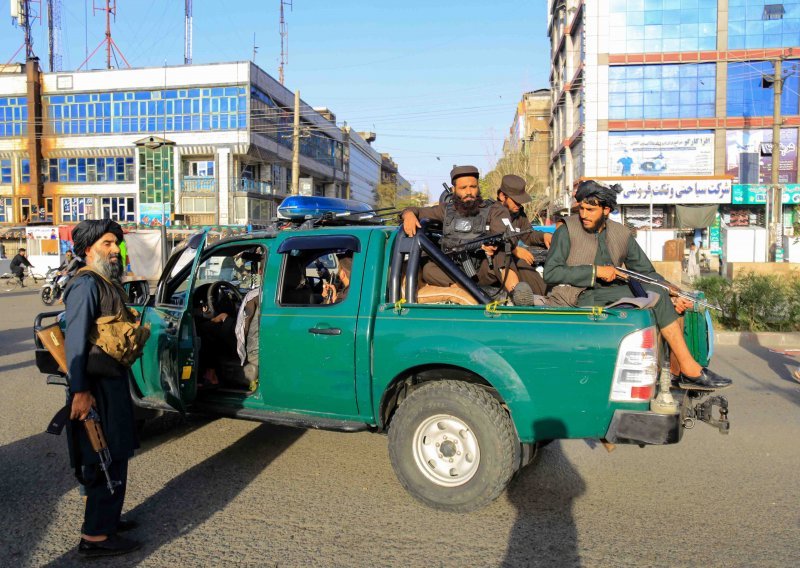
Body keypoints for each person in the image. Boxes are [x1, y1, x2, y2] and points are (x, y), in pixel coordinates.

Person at [543, 180, 731, 389]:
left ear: (606, 210)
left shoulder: (621, 233)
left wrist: (673, 292)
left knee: (665, 297)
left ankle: (675, 373)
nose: (584, 215)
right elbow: (551, 273)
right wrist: (595, 271)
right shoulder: (567, 230)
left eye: (591, 210)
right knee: (657, 298)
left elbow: (646, 272)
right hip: (574, 296)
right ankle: (689, 369)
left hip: (607, 293)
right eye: (582, 209)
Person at [63, 219, 143, 557]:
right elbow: (76, 343)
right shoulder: (86, 286)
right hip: (94, 387)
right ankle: (95, 537)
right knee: (101, 456)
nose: (114, 250)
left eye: (116, 244)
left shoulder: (107, 282)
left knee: (117, 450)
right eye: (107, 244)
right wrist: (80, 390)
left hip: (112, 381)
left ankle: (107, 518)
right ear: (87, 249)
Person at [400, 165, 537, 305]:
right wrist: (409, 215)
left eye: (473, 187)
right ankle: (469, 292)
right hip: (454, 270)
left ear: (478, 187)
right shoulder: (446, 210)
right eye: (463, 188)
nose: (469, 192)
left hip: (483, 269)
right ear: (453, 190)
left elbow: (504, 233)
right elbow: (415, 210)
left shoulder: (494, 209)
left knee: (501, 253)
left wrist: (493, 245)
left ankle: (516, 294)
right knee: (429, 268)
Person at [495, 174, 552, 296]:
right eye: (515, 201)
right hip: (495, 263)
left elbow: (528, 234)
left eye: (521, 201)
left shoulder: (519, 215)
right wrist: (514, 250)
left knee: (529, 270)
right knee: (519, 264)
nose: (519, 205)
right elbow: (492, 238)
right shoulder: (492, 212)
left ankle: (546, 300)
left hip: (514, 259)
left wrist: (544, 236)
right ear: (502, 196)